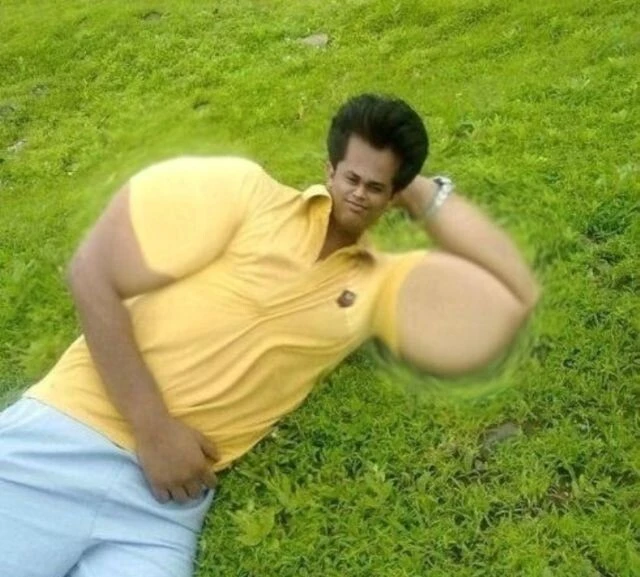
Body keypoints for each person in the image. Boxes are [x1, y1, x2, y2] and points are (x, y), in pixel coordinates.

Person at [0, 94, 540, 577]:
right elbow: (91, 274)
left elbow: (516, 296)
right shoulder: (246, 194)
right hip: (65, 440)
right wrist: (153, 428)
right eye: (351, 178)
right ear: (328, 169)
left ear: (393, 196)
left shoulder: (379, 284)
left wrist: (424, 195)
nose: (359, 194)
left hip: (163, 506)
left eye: (377, 187)